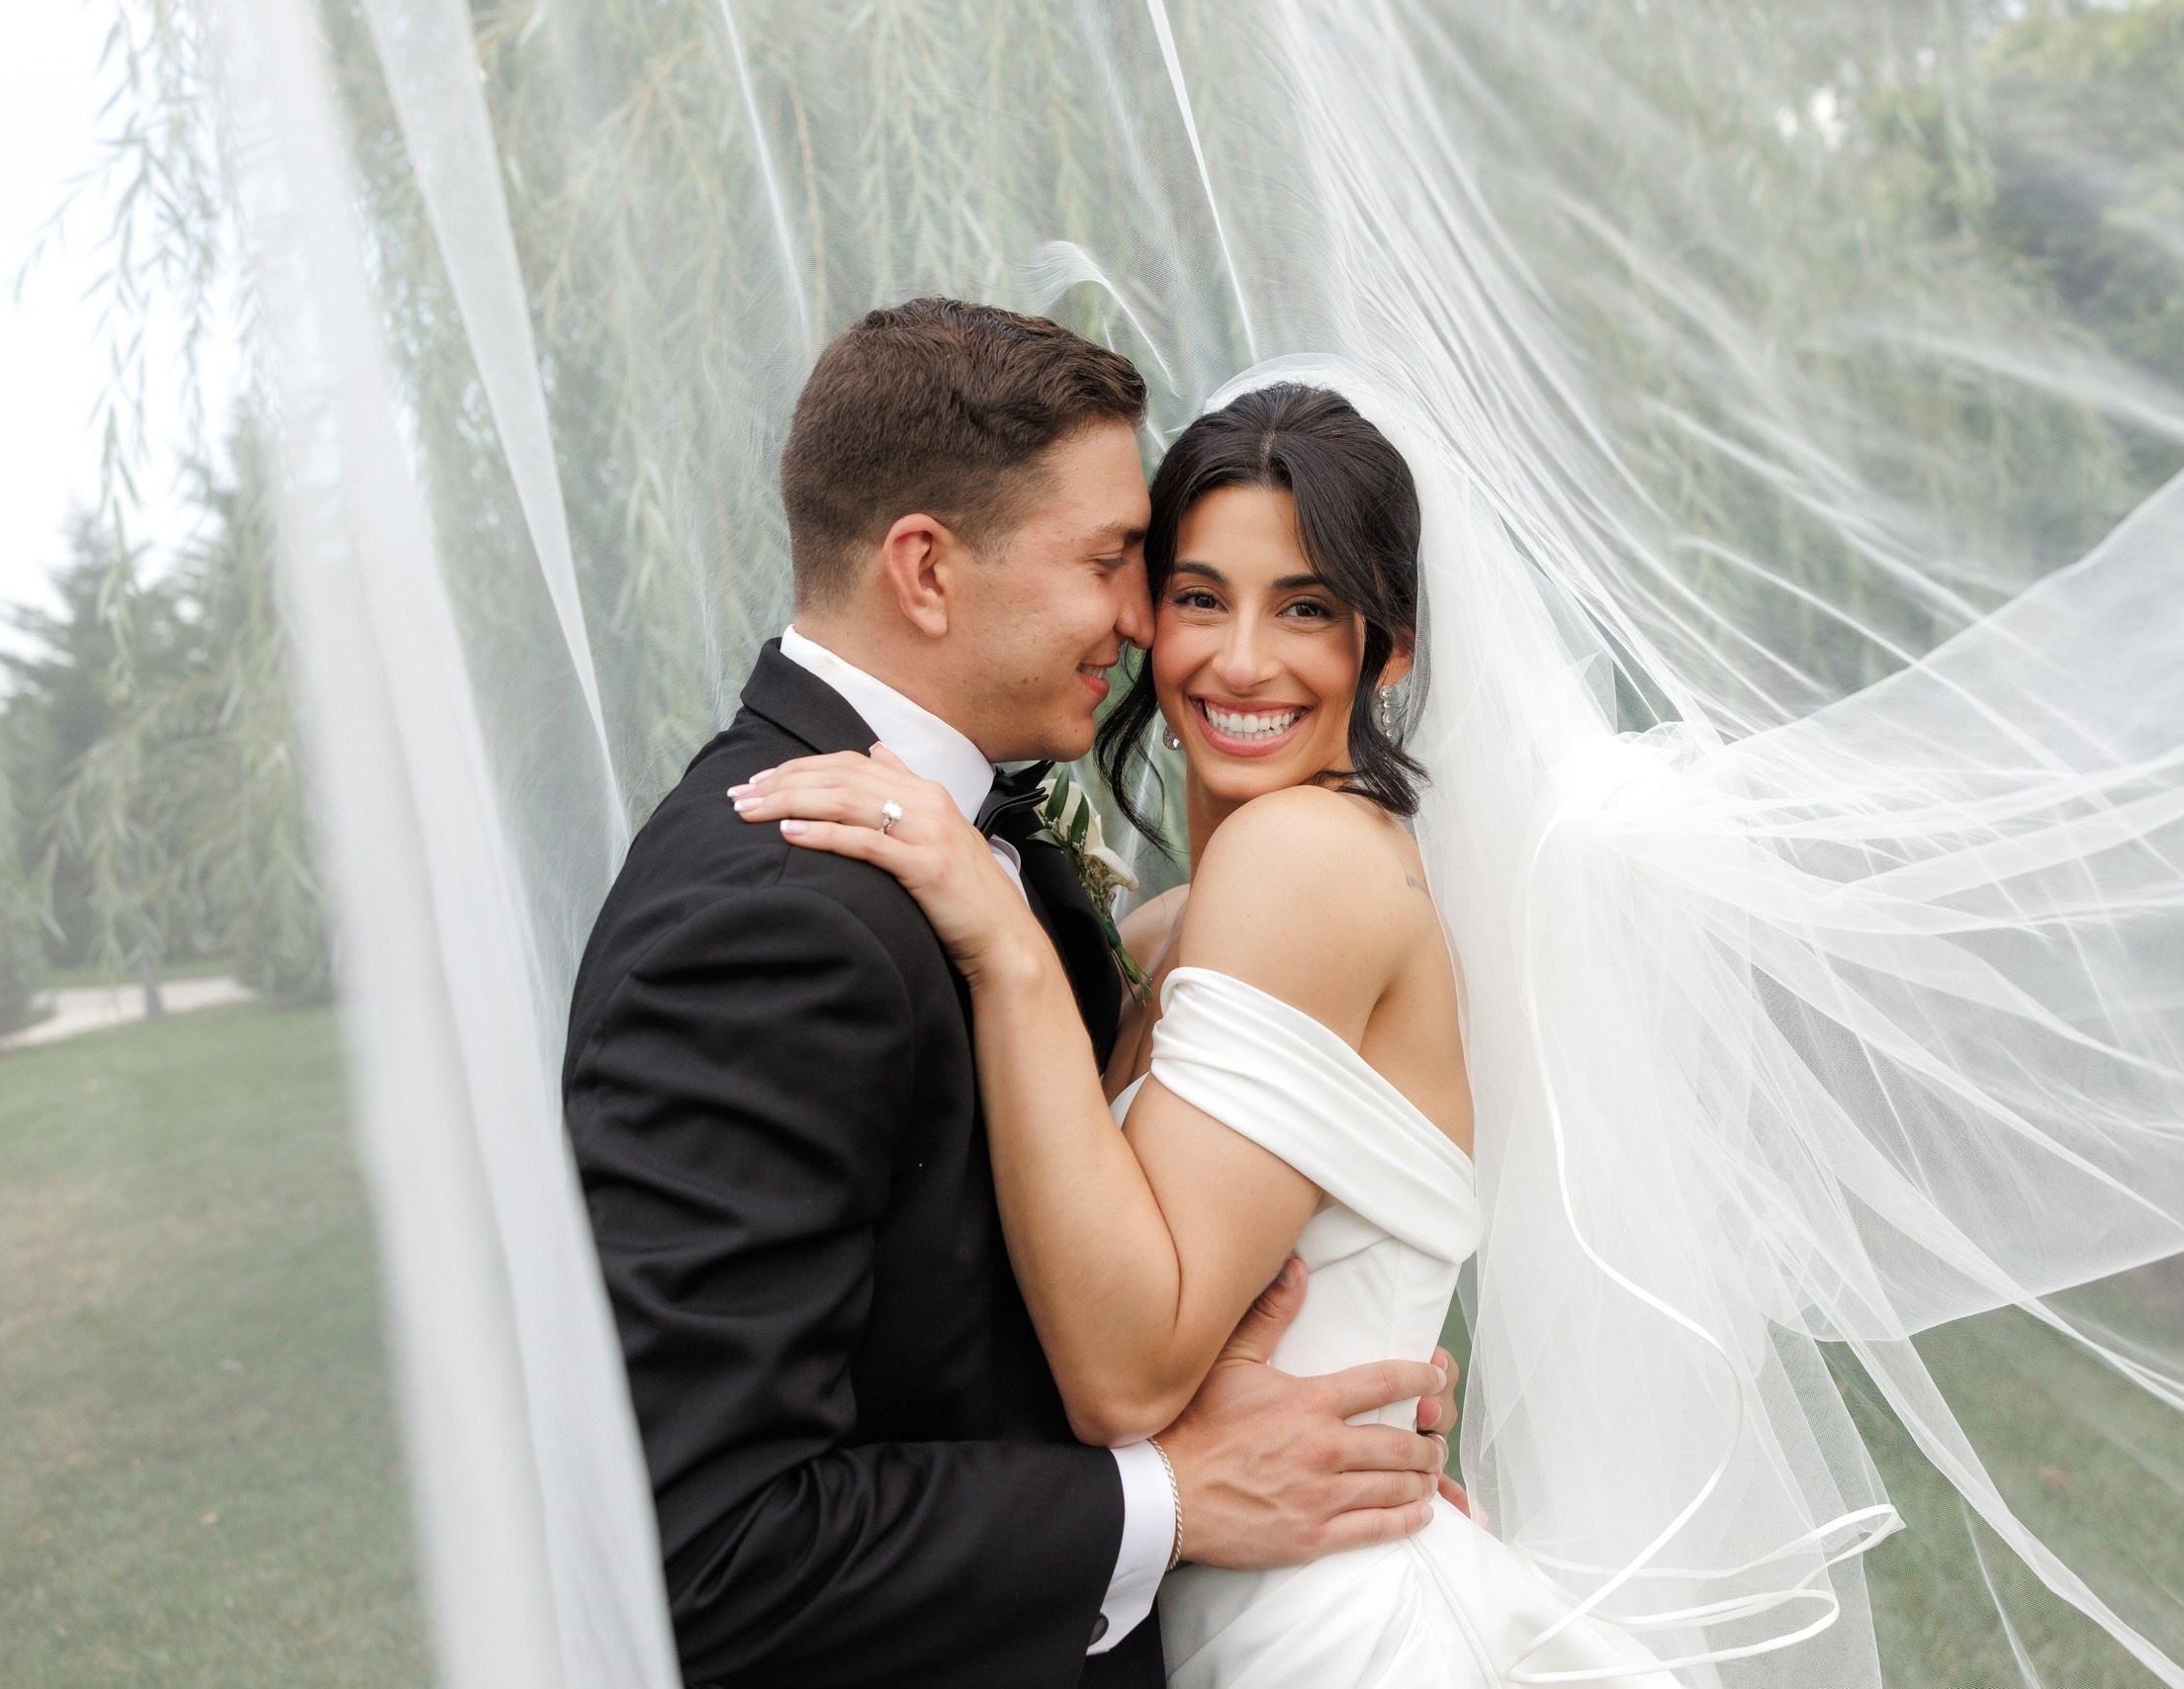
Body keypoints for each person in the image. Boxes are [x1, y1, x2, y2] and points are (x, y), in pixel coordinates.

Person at [563, 305, 1459, 1689]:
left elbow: (1071, 1258)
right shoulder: (773, 918)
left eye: (1301, 607)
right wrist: (1181, 1497)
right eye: (1125, 565)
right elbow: (707, 1551)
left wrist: (1337, 1403)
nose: (1147, 622)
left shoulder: (988, 862)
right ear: (925, 568)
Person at [734, 381, 1679, 1685]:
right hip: (1255, 1602)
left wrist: (1002, 946)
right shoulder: (1197, 919)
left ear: (1386, 649)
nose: (1239, 659)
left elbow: (1124, 1379)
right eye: (1197, 597)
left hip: (1332, 1630)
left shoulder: (1305, 861)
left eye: (1304, 607)